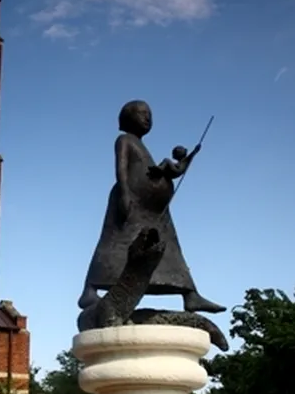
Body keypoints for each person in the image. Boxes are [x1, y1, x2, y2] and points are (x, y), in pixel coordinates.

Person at [78, 100, 224, 314]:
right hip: (133, 203)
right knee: (115, 242)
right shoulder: (124, 140)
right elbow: (121, 167)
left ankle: (190, 294)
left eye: (150, 114)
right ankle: (89, 290)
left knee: (168, 246)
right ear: (128, 117)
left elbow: (167, 170)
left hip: (155, 210)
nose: (147, 118)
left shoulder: (143, 147)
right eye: (142, 113)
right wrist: (125, 192)